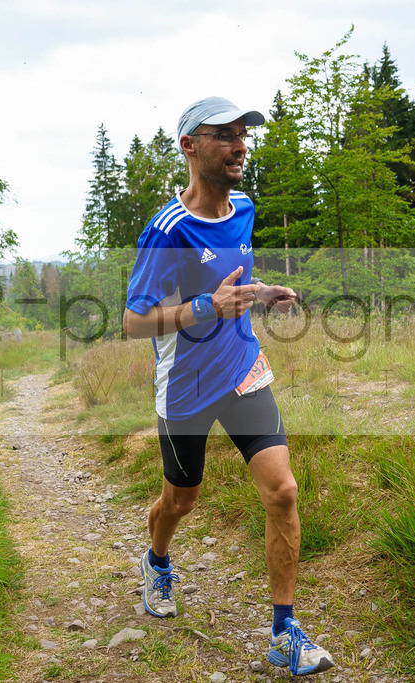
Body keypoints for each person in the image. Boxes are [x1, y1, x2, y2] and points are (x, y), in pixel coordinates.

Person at [122, 96, 335, 677]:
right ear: (190, 147)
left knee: (283, 492)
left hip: (241, 371)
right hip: (184, 389)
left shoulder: (244, 207)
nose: (240, 145)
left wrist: (258, 293)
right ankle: (157, 561)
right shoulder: (167, 230)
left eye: (243, 134)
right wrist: (204, 307)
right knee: (181, 500)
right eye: (224, 135)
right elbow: (133, 321)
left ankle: (282, 632)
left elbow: (228, 279)